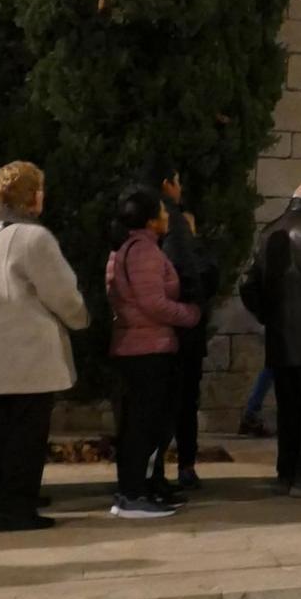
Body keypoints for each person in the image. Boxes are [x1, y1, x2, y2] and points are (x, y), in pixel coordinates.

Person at [0, 161, 90, 532]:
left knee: (0, 432)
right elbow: (61, 292)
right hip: (27, 349)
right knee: (26, 435)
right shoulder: (34, 237)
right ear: (34, 195)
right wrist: (81, 319)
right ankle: (17, 508)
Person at [105, 186, 201, 519]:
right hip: (147, 348)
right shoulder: (143, 251)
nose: (165, 217)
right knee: (145, 426)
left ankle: (139, 489)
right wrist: (189, 314)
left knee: (143, 424)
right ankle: (133, 494)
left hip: (138, 346)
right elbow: (152, 303)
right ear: (148, 219)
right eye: (160, 212)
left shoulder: (128, 249)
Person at [242, 180, 301, 496]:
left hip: (280, 337)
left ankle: (286, 471)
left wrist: (267, 315)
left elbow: (248, 282)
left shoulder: (270, 229)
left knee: (288, 408)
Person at [148, 168, 214, 493]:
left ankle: (168, 468)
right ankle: (175, 469)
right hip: (181, 334)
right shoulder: (176, 232)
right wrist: (191, 313)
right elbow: (194, 282)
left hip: (174, 335)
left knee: (176, 403)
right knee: (180, 403)